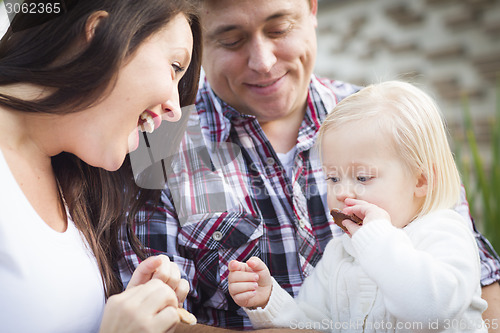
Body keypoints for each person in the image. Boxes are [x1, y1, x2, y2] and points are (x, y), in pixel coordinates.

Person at [119, 0, 500, 331]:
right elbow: (160, 322)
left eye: (279, 28)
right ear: (197, 39)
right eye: (231, 40)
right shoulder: (157, 143)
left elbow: (480, 283)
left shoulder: (383, 120)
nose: (263, 62)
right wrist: (269, 302)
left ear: (312, 10)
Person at [0, 0, 201, 332]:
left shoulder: (73, 183)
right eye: (174, 65)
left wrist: (133, 314)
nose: (174, 109)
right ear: (97, 35)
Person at [228, 81, 488, 332]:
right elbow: (313, 325)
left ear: (421, 180)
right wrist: (269, 301)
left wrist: (378, 238)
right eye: (332, 178)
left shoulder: (444, 232)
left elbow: (432, 311)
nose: (341, 192)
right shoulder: (340, 252)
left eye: (362, 177)